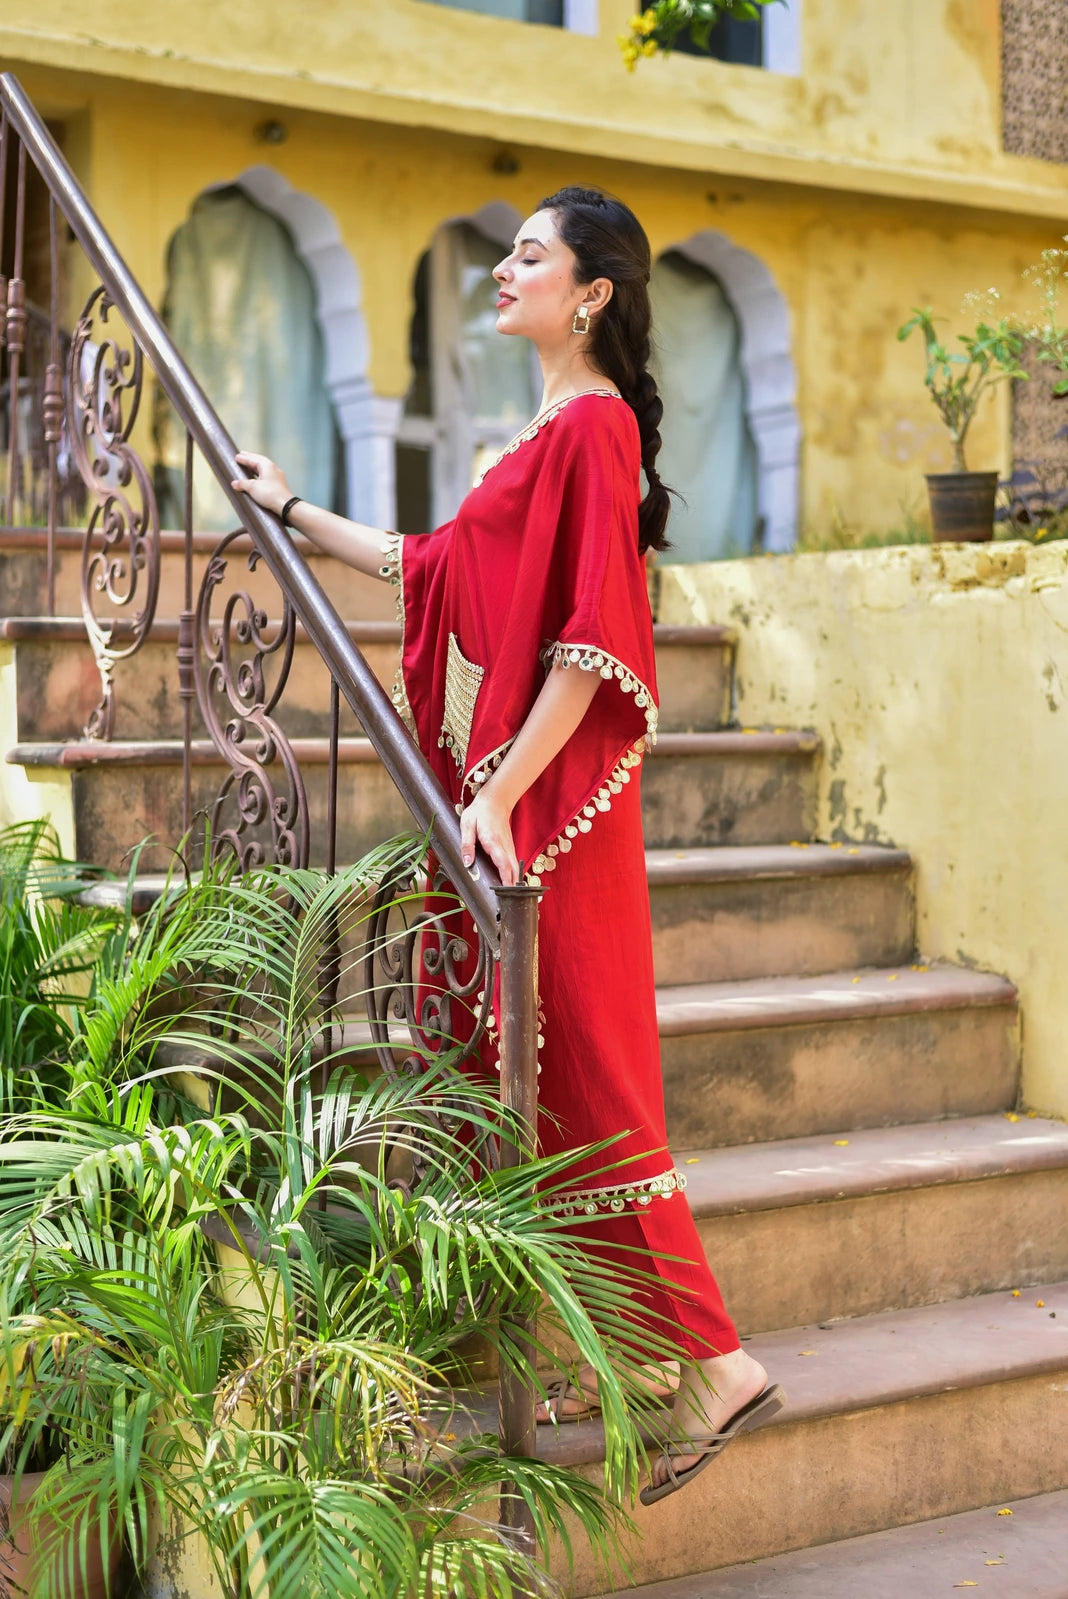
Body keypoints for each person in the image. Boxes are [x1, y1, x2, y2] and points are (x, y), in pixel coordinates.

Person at [232, 185, 782, 1503]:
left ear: (591, 293)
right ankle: (631, 1350)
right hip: (518, 807)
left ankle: (717, 1363)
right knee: (538, 1080)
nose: (502, 268)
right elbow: (429, 568)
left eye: (529, 254)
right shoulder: (543, 433)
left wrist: (498, 797)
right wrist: (292, 509)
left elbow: (594, 645)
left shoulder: (592, 428)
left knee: (589, 1075)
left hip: (550, 814)